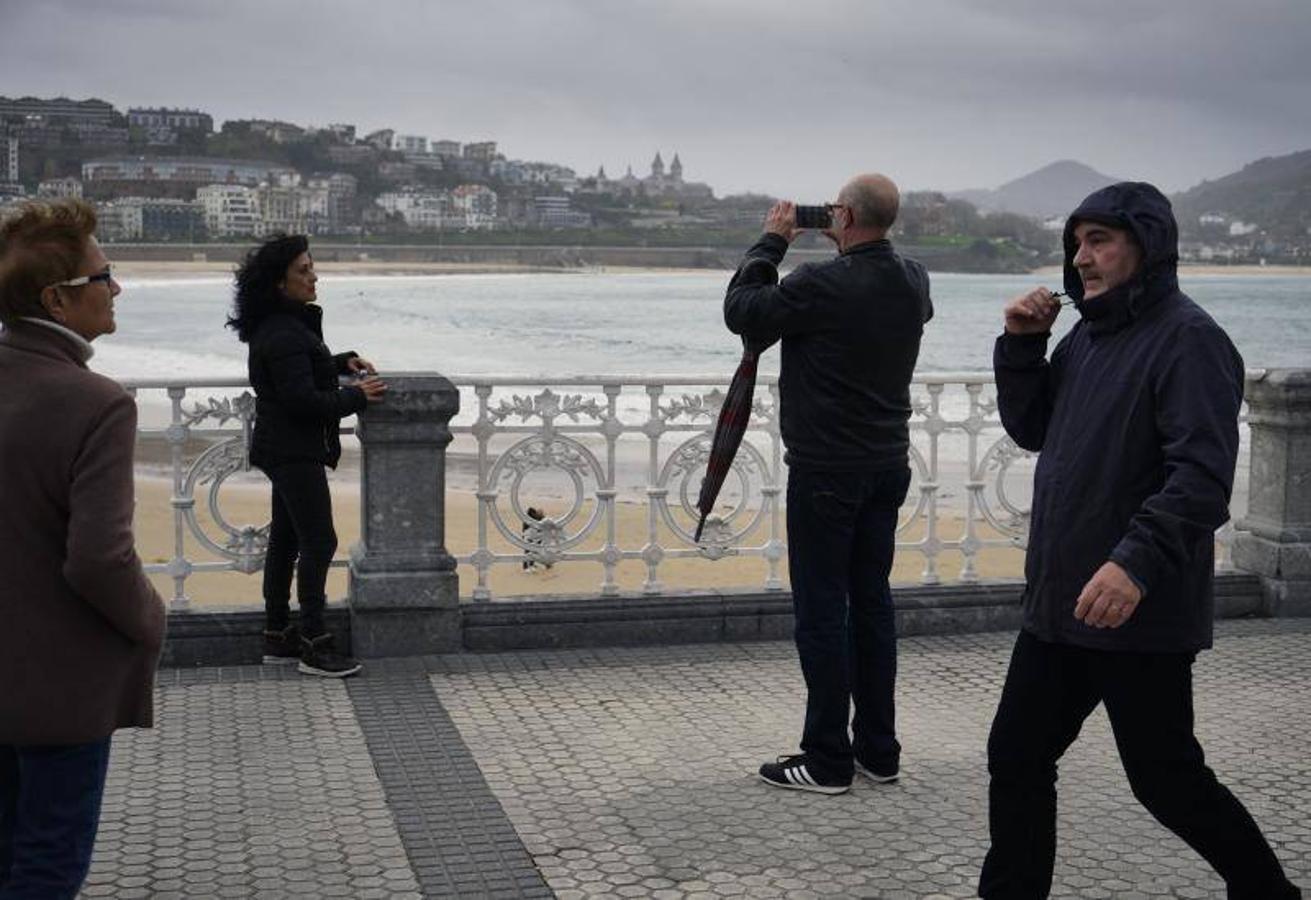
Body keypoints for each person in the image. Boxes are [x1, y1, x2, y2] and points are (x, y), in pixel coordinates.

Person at [979, 182, 1302, 899]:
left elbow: (1200, 478)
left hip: (1135, 608)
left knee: (1165, 779)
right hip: (1061, 600)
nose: (1081, 258)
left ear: (1146, 246)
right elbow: (1035, 431)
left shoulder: (1190, 340)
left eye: (1100, 241)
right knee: (1016, 755)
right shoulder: (1087, 336)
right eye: (1076, 242)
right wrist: (1021, 347)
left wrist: (1133, 565)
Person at [725, 174, 933, 795]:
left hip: (825, 472)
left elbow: (743, 313)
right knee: (871, 604)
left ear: (840, 215)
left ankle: (827, 759)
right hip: (886, 465)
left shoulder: (820, 284)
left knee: (822, 610)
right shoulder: (915, 279)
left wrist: (770, 242)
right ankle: (879, 750)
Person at [0, 198, 166, 898]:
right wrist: (150, 620)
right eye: (104, 275)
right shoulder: (95, 401)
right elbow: (99, 558)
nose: (116, 286)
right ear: (58, 300)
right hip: (59, 681)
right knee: (46, 860)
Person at [227, 234, 386, 678]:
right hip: (294, 449)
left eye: (312, 268)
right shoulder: (283, 332)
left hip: (283, 447)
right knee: (319, 541)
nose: (314, 277)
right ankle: (314, 644)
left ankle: (278, 634)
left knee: (286, 539)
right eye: (303, 270)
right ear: (280, 282)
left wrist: (340, 362)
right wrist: (357, 397)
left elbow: (298, 374)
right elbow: (302, 401)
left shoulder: (283, 326)